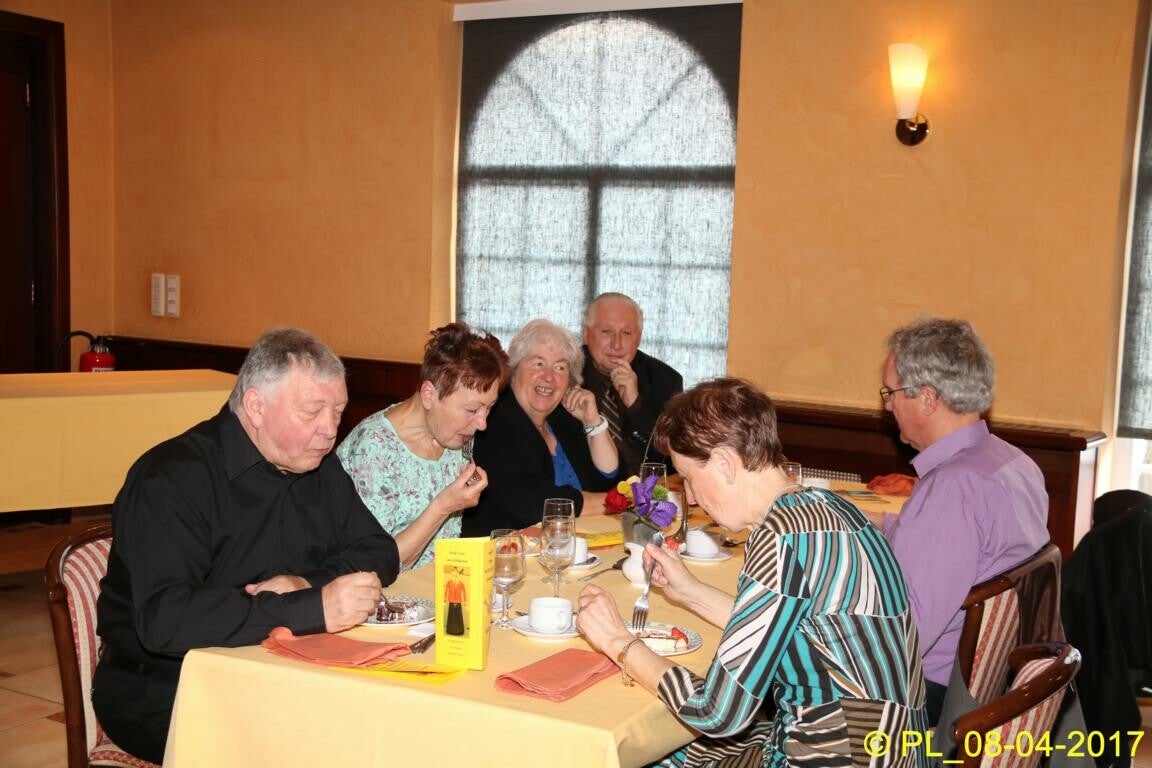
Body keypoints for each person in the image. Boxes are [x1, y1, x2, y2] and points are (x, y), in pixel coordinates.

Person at [577, 378, 928, 768]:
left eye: (688, 477)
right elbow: (790, 627)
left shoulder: (779, 537)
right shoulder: (829, 508)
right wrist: (688, 591)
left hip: (840, 755)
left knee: (652, 757)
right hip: (898, 749)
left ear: (725, 464)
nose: (689, 496)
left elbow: (718, 712)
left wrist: (618, 641)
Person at [93, 329, 400, 764]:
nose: (330, 430)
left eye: (338, 412)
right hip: (167, 685)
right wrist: (310, 608)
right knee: (326, 745)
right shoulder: (172, 478)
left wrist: (304, 583)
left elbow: (378, 550)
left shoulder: (318, 466)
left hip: (280, 670)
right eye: (312, 411)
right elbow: (165, 619)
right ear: (256, 406)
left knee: (387, 721)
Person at [879, 317, 1049, 724]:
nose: (886, 405)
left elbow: (903, 638)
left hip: (926, 696)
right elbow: (942, 546)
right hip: (990, 683)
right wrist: (861, 520)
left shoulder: (953, 489)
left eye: (890, 392)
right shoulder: (1012, 463)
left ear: (927, 399)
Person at [338, 323, 509, 569]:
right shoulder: (373, 450)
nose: (482, 424)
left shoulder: (455, 435)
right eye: (472, 410)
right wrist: (444, 506)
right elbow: (375, 565)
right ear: (429, 395)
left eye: (489, 408)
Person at [461, 319, 618, 536]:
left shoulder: (563, 420)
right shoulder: (494, 422)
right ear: (514, 369)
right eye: (538, 364)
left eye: (560, 367)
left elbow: (609, 478)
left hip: (574, 544)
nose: (549, 377)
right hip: (508, 549)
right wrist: (614, 501)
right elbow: (533, 504)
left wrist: (593, 423)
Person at [580, 292, 683, 475]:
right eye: (606, 332)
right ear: (586, 334)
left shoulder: (665, 380)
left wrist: (636, 405)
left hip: (647, 489)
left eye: (626, 333)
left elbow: (672, 455)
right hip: (585, 488)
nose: (617, 344)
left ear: (639, 338)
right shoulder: (564, 375)